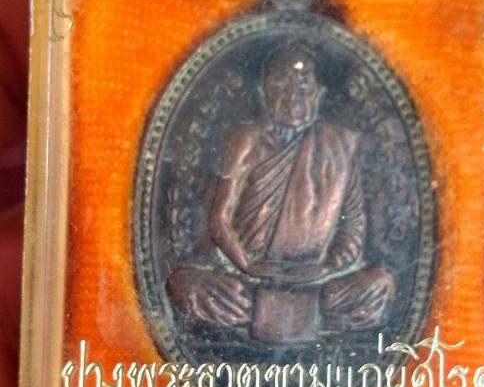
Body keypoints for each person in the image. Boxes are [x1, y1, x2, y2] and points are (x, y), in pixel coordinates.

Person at [168, 44, 396, 339]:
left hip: (316, 282)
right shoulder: (246, 140)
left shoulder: (339, 144)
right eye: (282, 84)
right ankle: (299, 316)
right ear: (264, 91)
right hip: (249, 280)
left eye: (303, 85)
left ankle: (273, 315)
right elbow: (218, 218)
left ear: (318, 93)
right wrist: (247, 265)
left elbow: (353, 224)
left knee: (381, 285)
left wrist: (326, 267)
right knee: (185, 286)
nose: (293, 96)